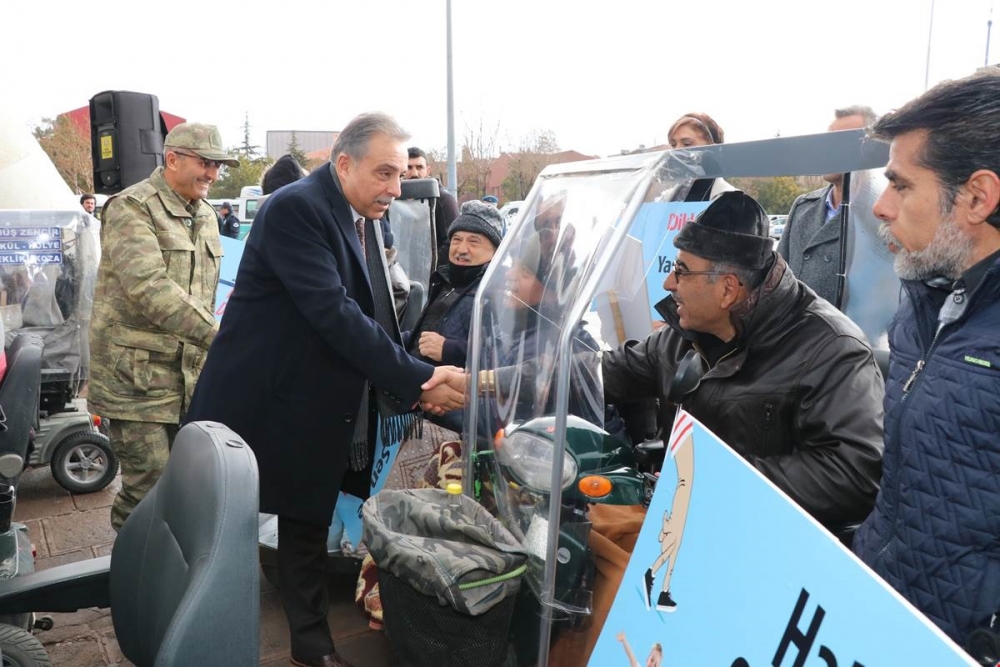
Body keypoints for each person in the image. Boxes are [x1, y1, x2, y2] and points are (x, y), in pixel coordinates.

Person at [183, 112, 465, 667]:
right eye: (384, 173)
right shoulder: (297, 208)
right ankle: (193, 636)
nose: (396, 187)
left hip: (312, 400)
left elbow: (375, 312)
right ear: (344, 163)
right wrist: (417, 379)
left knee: (305, 522)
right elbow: (334, 312)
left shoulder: (361, 214)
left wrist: (414, 370)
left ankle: (310, 648)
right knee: (224, 528)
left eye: (400, 174)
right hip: (265, 399)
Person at [602, 191, 884, 530]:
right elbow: (609, 372)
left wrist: (713, 480)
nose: (668, 283)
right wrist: (549, 376)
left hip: (770, 543)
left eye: (681, 271)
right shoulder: (683, 335)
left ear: (728, 290)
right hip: (684, 525)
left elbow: (852, 476)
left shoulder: (832, 350)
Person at [853, 71, 1000, 652]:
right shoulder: (923, 306)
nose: (881, 207)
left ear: (977, 198)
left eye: (901, 185)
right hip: (883, 616)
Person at [88, 122, 237, 532]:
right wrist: (223, 338)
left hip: (189, 378)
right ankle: (133, 568)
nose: (213, 174)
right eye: (205, 163)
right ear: (172, 159)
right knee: (148, 490)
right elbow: (150, 289)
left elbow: (206, 295)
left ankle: (171, 564)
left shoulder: (206, 215)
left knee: (187, 485)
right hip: (137, 381)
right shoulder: (131, 208)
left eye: (218, 166)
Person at [777, 105, 878, 305]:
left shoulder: (882, 214)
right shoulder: (803, 207)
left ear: (871, 149)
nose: (829, 150)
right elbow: (778, 275)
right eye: (827, 141)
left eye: (841, 142)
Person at [666, 112, 736, 202]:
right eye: (673, 144)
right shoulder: (665, 199)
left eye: (687, 144)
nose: (677, 151)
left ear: (712, 148)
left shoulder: (733, 201)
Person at [406, 146, 459, 262]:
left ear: (428, 170)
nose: (414, 173)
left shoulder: (444, 201)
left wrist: (427, 266)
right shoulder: (396, 200)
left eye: (419, 167)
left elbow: (452, 241)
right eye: (409, 167)